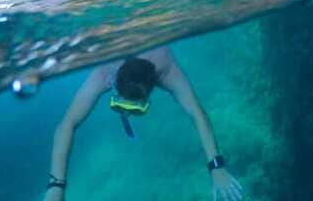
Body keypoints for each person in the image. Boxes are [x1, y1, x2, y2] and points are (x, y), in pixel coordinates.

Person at [45, 46, 243, 201]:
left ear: (150, 92)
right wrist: (56, 186)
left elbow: (197, 113)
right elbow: (67, 124)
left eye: (136, 110)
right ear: (114, 84)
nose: (128, 113)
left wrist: (216, 166)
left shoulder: (165, 69)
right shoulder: (104, 73)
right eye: (120, 105)